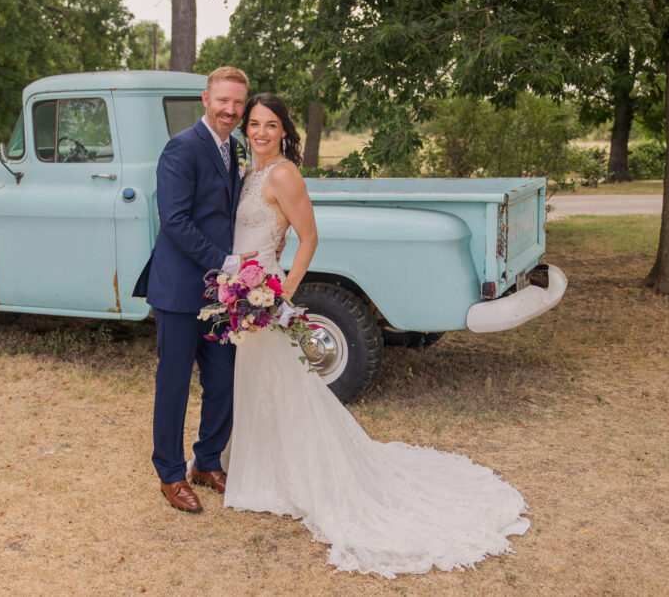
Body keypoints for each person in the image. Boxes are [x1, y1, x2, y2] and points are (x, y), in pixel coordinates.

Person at [223, 93, 530, 577]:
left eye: (270, 125)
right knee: (262, 380)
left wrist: (282, 293)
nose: (260, 132)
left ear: (285, 130)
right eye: (253, 124)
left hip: (266, 290)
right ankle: (261, 466)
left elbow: (309, 239)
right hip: (243, 290)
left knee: (284, 381)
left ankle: (295, 474)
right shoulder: (250, 173)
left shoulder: (283, 173)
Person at [132, 66, 256, 514]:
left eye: (238, 103)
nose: (230, 110)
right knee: (174, 384)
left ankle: (207, 460)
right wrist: (226, 264)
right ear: (206, 98)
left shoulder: (236, 148)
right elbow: (176, 221)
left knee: (223, 379)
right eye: (223, 100)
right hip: (181, 290)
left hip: (221, 297)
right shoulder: (181, 148)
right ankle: (170, 473)